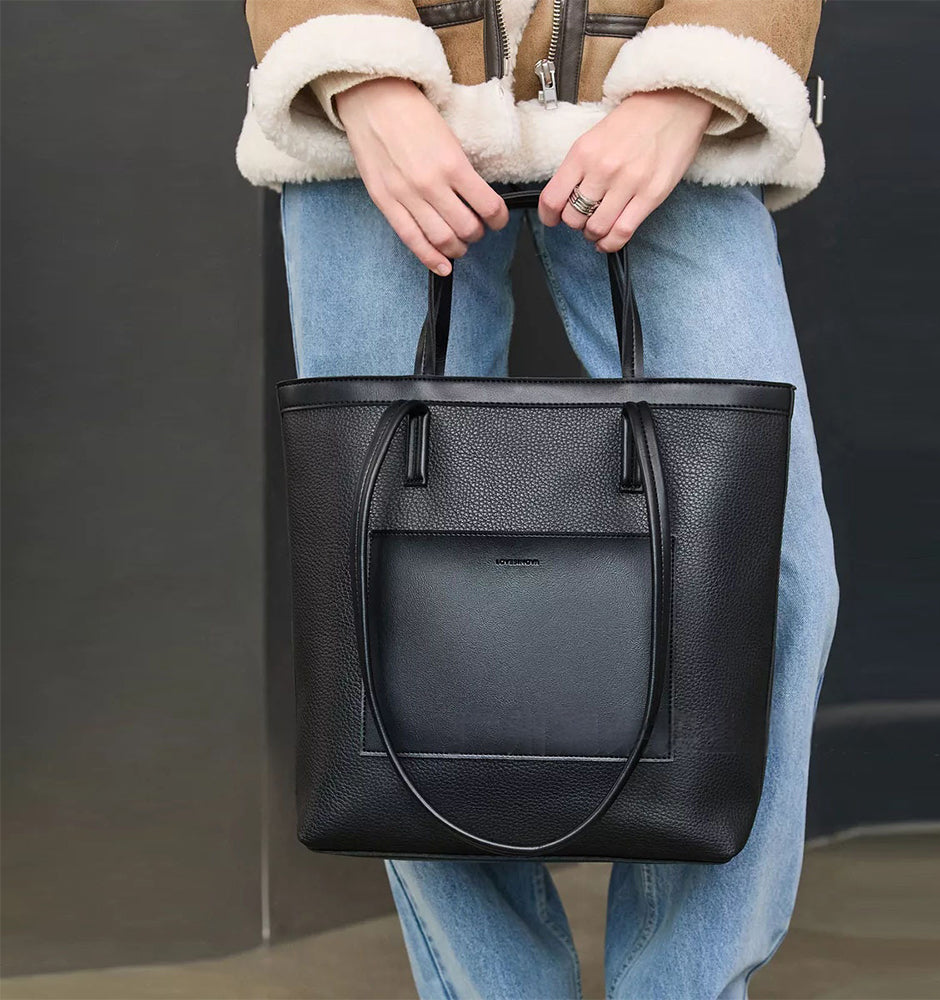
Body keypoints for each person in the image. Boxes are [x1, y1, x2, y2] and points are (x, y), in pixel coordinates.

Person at [237, 2, 839, 996]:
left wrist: (692, 83)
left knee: (765, 574)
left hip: (654, 72)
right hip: (386, 87)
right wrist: (362, 76)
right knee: (382, 596)